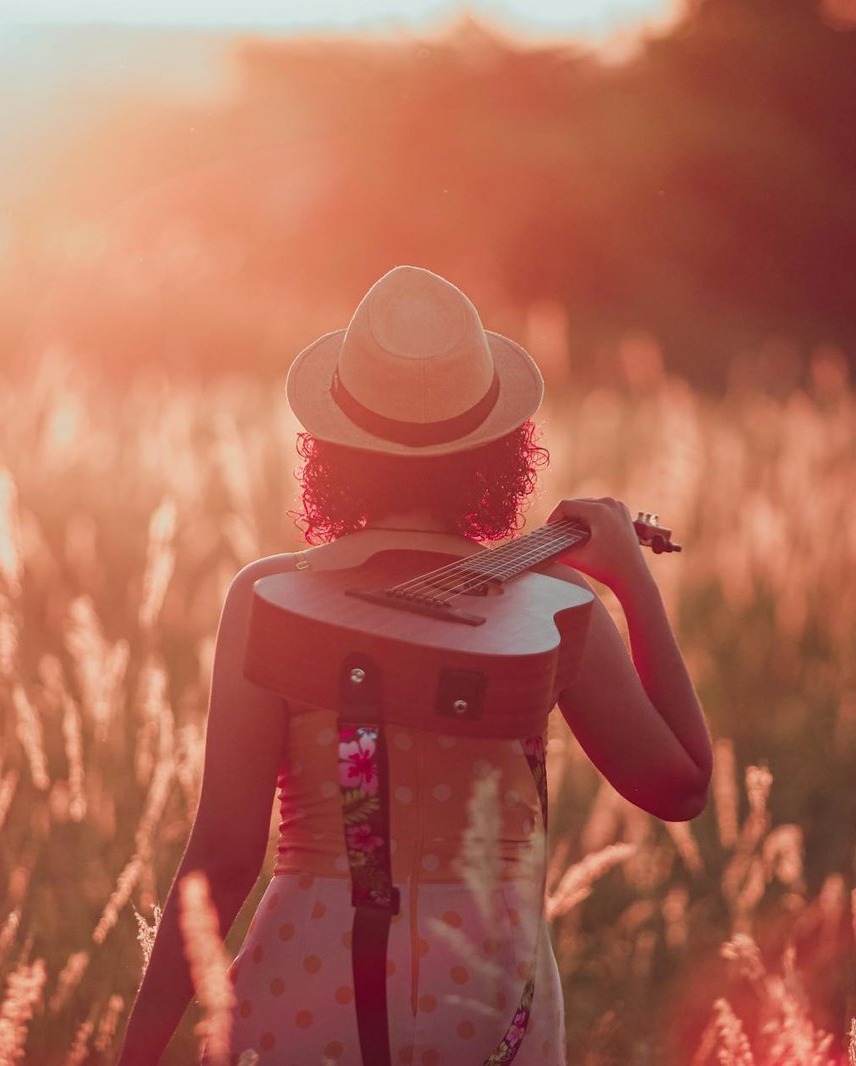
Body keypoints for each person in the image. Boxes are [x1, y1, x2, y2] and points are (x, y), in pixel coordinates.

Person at [116, 266, 712, 1065]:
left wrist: (139, 1051)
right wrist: (633, 586)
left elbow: (224, 856)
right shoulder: (558, 607)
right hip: (488, 996)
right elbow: (683, 786)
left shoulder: (271, 597)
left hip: (308, 986)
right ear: (500, 449)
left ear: (332, 445)